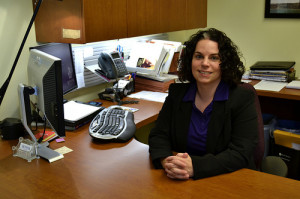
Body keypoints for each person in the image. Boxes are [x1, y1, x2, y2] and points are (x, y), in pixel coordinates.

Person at [148, 28, 258, 180]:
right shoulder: (177, 94)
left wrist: (195, 167)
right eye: (199, 56)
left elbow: (241, 152)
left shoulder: (242, 98)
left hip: (227, 179)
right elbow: (158, 135)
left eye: (214, 58)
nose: (205, 64)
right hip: (181, 179)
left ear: (224, 63)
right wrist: (166, 160)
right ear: (190, 60)